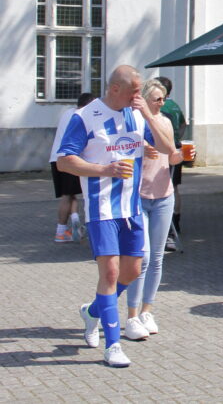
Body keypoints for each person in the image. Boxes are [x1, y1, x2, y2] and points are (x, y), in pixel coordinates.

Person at [57, 65, 175, 368]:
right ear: (114, 89)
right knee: (109, 274)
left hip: (131, 209)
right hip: (101, 210)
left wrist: (148, 115)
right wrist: (104, 170)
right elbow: (64, 161)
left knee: (133, 271)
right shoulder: (84, 116)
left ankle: (93, 312)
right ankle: (112, 346)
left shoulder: (137, 114)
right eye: (135, 91)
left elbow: (168, 149)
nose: (140, 96)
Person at [124, 79, 184, 341]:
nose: (163, 103)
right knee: (142, 257)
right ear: (145, 99)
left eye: (164, 98)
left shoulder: (164, 122)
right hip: (139, 195)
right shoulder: (132, 122)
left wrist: (178, 156)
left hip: (163, 194)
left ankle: (148, 310)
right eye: (158, 99)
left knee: (157, 257)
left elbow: (171, 152)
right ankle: (131, 315)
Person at [50, 92, 94, 243]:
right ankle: (61, 231)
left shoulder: (68, 113)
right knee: (70, 195)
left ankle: (74, 221)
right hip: (71, 159)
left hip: (56, 159)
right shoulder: (84, 117)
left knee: (69, 194)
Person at [155, 76, 186, 251]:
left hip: (163, 151)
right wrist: (177, 138)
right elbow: (183, 124)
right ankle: (176, 221)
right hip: (176, 147)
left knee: (163, 187)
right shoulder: (174, 105)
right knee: (174, 187)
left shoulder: (158, 107)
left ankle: (165, 229)